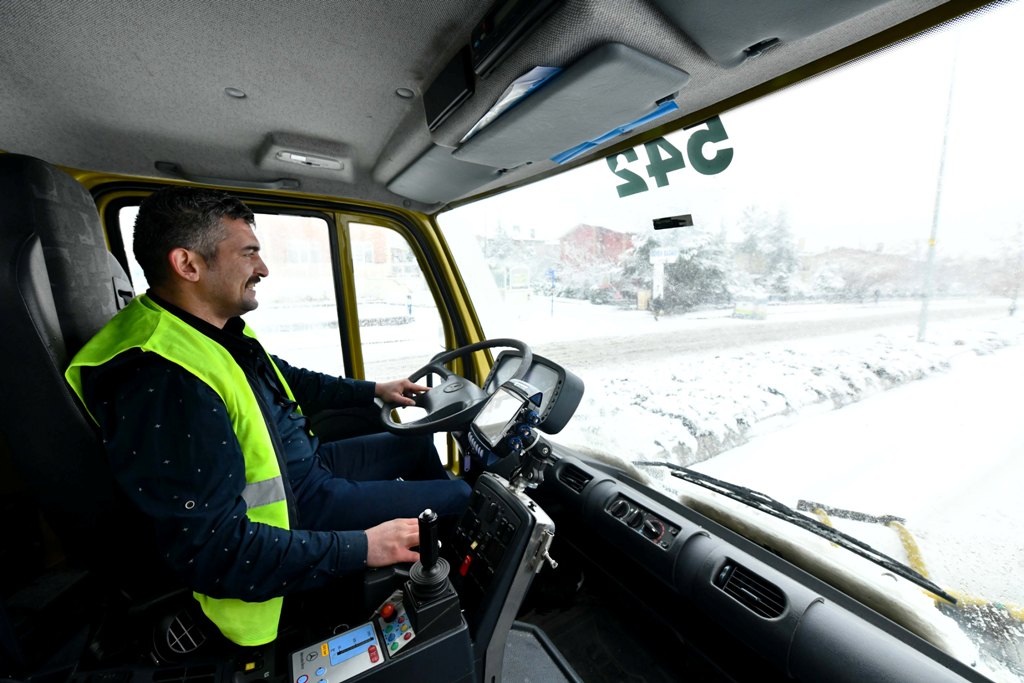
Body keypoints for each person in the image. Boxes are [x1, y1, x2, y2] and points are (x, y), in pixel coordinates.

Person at [65, 187, 471, 647]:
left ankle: (431, 575)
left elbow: (283, 378)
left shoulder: (205, 329)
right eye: (249, 253)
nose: (263, 268)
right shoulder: (165, 380)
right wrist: (364, 547)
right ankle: (452, 608)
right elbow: (211, 548)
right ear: (188, 265)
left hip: (303, 470)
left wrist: (374, 390)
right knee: (459, 495)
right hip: (295, 509)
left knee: (415, 442)